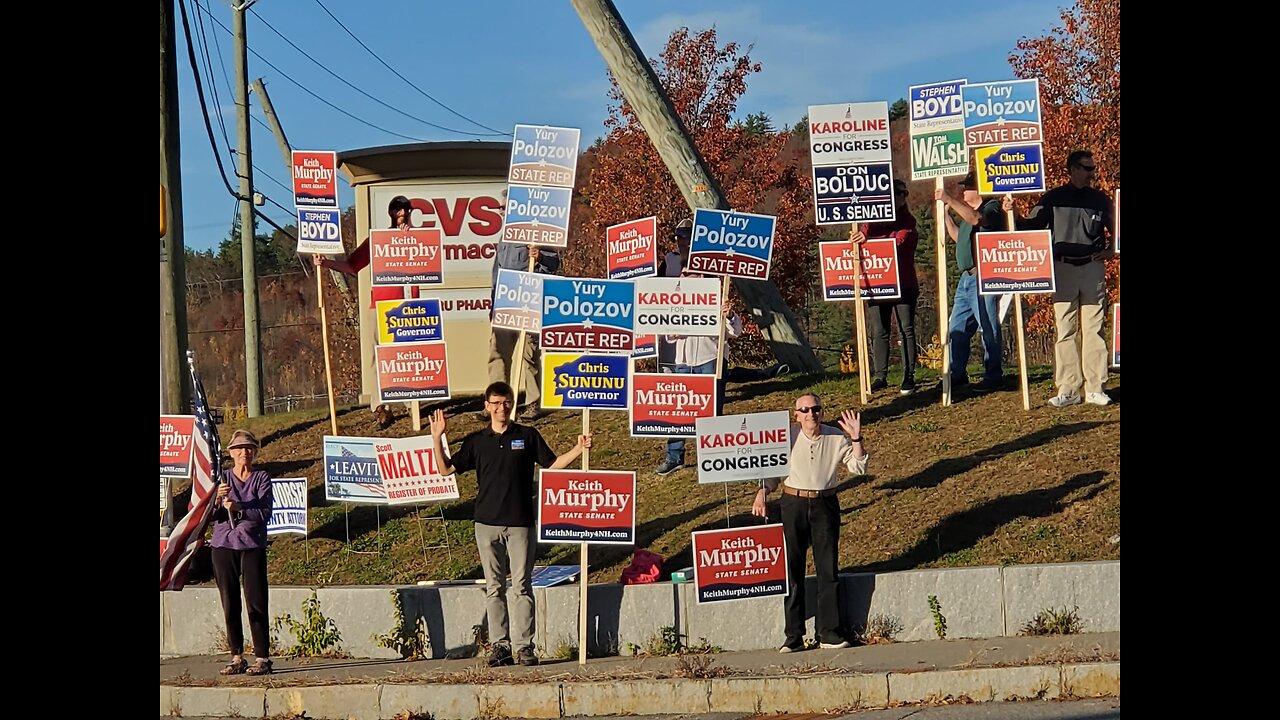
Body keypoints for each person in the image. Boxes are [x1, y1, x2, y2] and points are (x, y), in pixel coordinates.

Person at [429, 381, 590, 667]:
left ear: (511, 405)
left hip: (520, 524)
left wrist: (578, 449)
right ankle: (500, 648)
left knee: (522, 586)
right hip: (486, 525)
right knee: (494, 588)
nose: (501, 408)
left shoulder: (527, 436)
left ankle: (524, 647)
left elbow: (551, 465)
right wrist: (437, 438)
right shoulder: (476, 441)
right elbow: (445, 470)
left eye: (506, 403)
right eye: (496, 403)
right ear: (486, 406)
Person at [751, 394, 868, 653]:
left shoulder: (835, 436)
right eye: (804, 410)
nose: (810, 414)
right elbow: (772, 470)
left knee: (828, 569)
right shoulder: (787, 436)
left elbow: (858, 467)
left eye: (815, 409)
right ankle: (793, 635)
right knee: (793, 569)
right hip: (793, 502)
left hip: (824, 503)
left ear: (821, 412)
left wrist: (857, 438)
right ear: (796, 415)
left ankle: (829, 633)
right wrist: (762, 493)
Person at [1004, 150, 1115, 407]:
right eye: (1088, 169)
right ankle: (1068, 388)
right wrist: (1014, 211)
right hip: (1061, 267)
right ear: (1074, 169)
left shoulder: (1100, 199)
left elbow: (1116, 228)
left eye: (1093, 169)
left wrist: (1111, 250)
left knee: (1094, 329)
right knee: (1065, 329)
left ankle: (1096, 387)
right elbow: (1029, 227)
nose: (1092, 174)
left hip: (1092, 268)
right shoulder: (1053, 198)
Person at [313, 195, 422, 427]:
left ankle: (411, 404)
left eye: (405, 210)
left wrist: (410, 239)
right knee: (377, 358)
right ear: (390, 213)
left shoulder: (418, 239)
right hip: (379, 306)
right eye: (396, 210)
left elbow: (429, 265)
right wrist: (326, 263)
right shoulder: (378, 240)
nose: (401, 214)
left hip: (408, 306)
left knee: (407, 357)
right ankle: (381, 406)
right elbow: (352, 265)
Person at [655, 269, 743, 476]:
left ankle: (714, 455)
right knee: (679, 411)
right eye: (682, 274)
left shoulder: (718, 300)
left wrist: (729, 316)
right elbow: (666, 334)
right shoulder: (675, 302)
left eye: (688, 274)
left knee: (712, 410)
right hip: (683, 362)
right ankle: (674, 457)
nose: (683, 277)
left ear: (701, 277)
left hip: (711, 360)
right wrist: (672, 332)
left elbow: (735, 332)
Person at [488, 189, 561, 422]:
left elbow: (555, 262)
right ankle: (496, 400)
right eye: (500, 207)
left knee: (529, 354)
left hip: (529, 302)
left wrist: (539, 257)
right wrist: (494, 303)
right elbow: (496, 273)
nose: (501, 211)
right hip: (505, 304)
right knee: (498, 353)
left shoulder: (534, 232)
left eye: (504, 207)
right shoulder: (504, 237)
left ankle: (533, 402)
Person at [211, 429, 275, 676]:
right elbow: (211, 515)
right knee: (230, 602)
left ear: (254, 452)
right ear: (231, 453)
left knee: (256, 602)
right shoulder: (222, 479)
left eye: (248, 448)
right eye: (239, 449)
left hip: (251, 546)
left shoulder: (261, 478)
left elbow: (264, 512)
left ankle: (262, 657)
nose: (244, 453)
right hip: (223, 546)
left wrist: (239, 508)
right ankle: (236, 656)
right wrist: (216, 500)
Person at [936, 171, 1007, 394]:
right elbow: (959, 237)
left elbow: (976, 220)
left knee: (988, 325)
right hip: (966, 278)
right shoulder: (967, 214)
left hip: (983, 275)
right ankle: (957, 372)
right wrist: (946, 216)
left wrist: (949, 199)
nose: (963, 191)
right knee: (956, 327)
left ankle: (993, 373)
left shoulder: (991, 207)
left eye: (967, 187)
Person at [849, 179, 920, 395]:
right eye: (895, 193)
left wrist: (868, 239)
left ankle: (909, 376)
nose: (899, 198)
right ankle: (880, 376)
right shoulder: (870, 223)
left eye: (902, 194)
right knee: (880, 331)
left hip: (903, 283)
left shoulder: (908, 221)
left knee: (906, 329)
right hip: (876, 282)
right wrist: (860, 237)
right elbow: (859, 238)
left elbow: (896, 244)